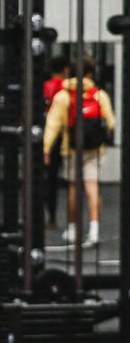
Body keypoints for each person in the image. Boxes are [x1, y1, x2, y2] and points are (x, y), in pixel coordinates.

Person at [44, 54, 116, 246]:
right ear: (91, 73)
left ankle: (73, 229)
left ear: (70, 72)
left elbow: (53, 124)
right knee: (92, 188)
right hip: (94, 150)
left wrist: (46, 147)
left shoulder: (64, 95)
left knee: (74, 188)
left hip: (72, 148)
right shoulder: (99, 94)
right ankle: (94, 230)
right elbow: (111, 121)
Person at [43, 55, 69, 227]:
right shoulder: (66, 88)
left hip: (47, 135)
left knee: (47, 178)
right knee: (62, 179)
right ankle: (70, 221)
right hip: (63, 136)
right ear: (65, 70)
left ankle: (49, 216)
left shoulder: (45, 87)